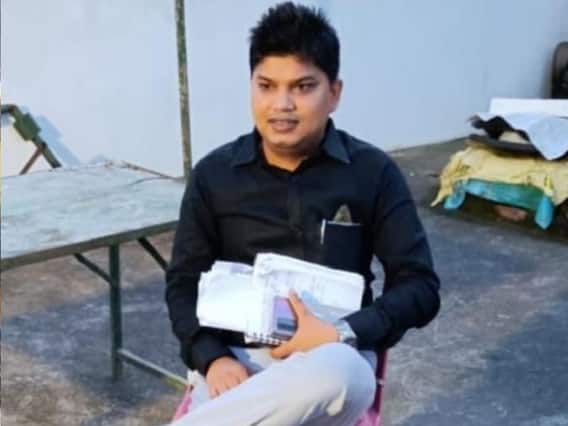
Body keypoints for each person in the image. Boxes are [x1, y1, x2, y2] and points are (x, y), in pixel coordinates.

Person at [166, 2, 440, 425]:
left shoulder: (373, 173)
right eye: (267, 86)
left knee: (345, 372)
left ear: (335, 93)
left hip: (330, 362)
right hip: (237, 366)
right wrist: (213, 357)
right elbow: (184, 284)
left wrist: (339, 333)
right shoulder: (214, 176)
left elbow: (419, 286)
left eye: (302, 86)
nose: (282, 104)